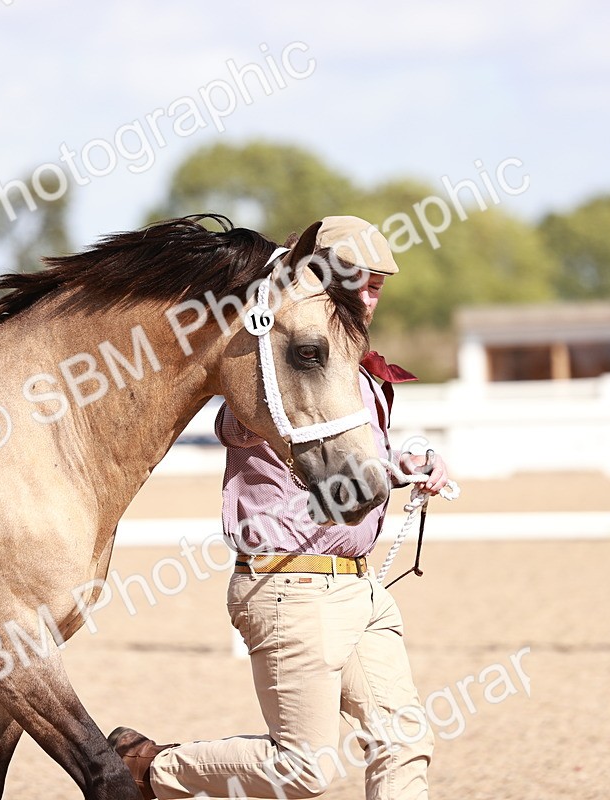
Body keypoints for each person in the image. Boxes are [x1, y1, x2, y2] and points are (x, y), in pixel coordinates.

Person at [108, 216, 451, 800]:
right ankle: (152, 769)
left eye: (377, 285)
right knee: (306, 772)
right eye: (357, 283)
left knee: (404, 740)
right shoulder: (278, 356)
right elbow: (241, 416)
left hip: (360, 586)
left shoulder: (353, 374)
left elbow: (354, 462)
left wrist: (407, 466)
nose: (370, 297)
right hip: (291, 587)